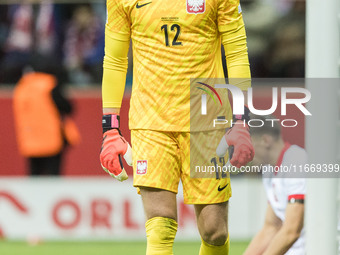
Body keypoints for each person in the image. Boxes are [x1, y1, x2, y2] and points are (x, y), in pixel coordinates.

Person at [100, 0, 254, 254]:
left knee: (214, 231)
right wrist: (110, 128)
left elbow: (236, 53)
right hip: (150, 122)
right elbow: (115, 60)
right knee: (160, 224)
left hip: (206, 122)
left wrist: (241, 120)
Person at [244, 115, 306, 255]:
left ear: (265, 140)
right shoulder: (269, 169)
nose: (245, 154)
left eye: (248, 145)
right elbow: (271, 227)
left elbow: (291, 231)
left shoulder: (296, 162)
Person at [13, 54, 80, 175]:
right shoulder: (50, 85)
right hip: (52, 141)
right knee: (52, 181)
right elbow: (68, 108)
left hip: (29, 140)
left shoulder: (21, 88)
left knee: (35, 178)